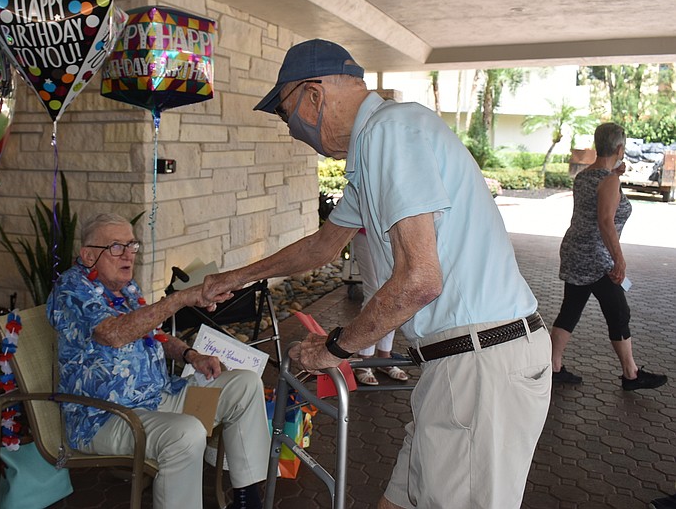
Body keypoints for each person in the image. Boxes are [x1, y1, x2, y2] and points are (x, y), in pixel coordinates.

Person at [202, 39, 552, 509]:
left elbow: (421, 279)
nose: (291, 130)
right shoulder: (374, 150)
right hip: (459, 364)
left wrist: (337, 348)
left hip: (478, 365)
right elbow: (322, 246)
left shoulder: (392, 132)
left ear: (312, 95)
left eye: (286, 114)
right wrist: (237, 277)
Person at [47, 213, 270, 509]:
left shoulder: (127, 289)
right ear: (88, 255)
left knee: (245, 383)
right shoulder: (71, 290)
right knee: (186, 433)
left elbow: (155, 333)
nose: (128, 255)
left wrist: (191, 355)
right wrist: (178, 300)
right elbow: (113, 334)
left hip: (159, 398)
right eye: (116, 247)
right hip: (106, 417)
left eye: (131, 245)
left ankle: (247, 499)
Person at [550, 122, 667, 391]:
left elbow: (599, 193)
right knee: (619, 312)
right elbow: (606, 222)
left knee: (570, 310)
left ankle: (553, 367)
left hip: (575, 252)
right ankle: (631, 374)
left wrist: (614, 171)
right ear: (619, 148)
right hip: (595, 259)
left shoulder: (585, 176)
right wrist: (619, 260)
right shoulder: (609, 180)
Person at [350, 228, 409, 385]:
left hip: (396, 232)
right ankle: (363, 359)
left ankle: (385, 356)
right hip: (367, 232)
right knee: (374, 294)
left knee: (393, 292)